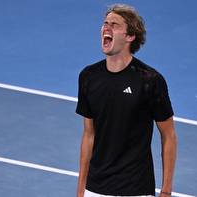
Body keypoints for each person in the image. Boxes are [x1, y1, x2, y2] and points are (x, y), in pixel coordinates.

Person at [76, 4, 177, 197]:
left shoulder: (150, 81)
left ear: (130, 36)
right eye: (105, 23)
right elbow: (89, 135)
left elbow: (169, 135)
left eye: (114, 25)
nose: (106, 27)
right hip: (95, 188)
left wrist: (165, 191)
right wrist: (81, 189)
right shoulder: (88, 77)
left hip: (135, 189)